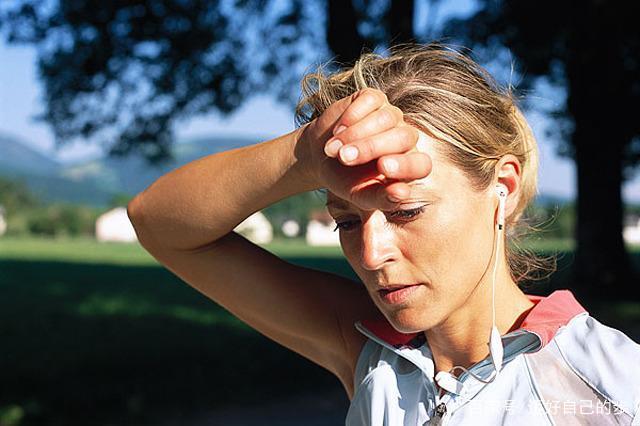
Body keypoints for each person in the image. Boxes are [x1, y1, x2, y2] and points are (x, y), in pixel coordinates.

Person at [127, 43, 640, 425]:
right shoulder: (367, 348)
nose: (371, 253)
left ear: (501, 188)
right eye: (346, 221)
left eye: (407, 212)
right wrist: (303, 156)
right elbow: (160, 223)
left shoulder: (616, 384)